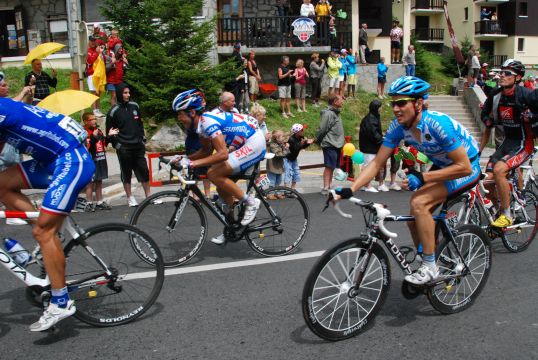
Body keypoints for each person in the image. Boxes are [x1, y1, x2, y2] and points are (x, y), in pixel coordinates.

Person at [332, 76, 481, 285]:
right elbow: (376, 163)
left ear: (418, 103)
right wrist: (351, 189)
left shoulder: (437, 125)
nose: (395, 108)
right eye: (393, 103)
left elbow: (463, 166)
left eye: (402, 103)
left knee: (420, 203)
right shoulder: (397, 127)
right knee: (415, 214)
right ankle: (427, 255)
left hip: (467, 167)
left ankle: (430, 266)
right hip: (443, 165)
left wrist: (423, 176)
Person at [0, 98, 95, 331]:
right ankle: (49, 233)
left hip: (71, 160)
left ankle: (61, 302)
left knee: (42, 231)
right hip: (51, 159)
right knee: (1, 184)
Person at [172, 89, 266, 245]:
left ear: (192, 112)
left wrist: (192, 163)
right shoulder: (199, 126)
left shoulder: (207, 122)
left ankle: (251, 202)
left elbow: (222, 154)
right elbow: (207, 151)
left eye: (180, 114)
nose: (179, 118)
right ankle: (232, 228)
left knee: (213, 173)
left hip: (254, 141)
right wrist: (185, 158)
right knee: (222, 194)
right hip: (241, 143)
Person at [479, 59, 538, 227]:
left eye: (507, 73)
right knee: (486, 182)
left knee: (499, 170)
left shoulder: (526, 94)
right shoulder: (495, 95)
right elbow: (485, 113)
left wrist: (532, 117)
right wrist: (488, 120)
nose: (502, 76)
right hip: (507, 142)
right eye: (501, 72)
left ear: (518, 77)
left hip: (523, 143)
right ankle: (500, 210)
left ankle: (507, 215)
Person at [106, 83, 152, 207]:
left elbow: (140, 124)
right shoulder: (113, 111)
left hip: (138, 145)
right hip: (124, 147)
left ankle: (149, 196)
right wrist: (118, 145)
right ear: (120, 94)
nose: (128, 95)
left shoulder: (135, 106)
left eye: (128, 93)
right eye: (125, 93)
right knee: (126, 173)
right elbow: (109, 132)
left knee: (144, 171)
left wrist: (142, 139)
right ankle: (130, 197)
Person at [82, 112, 113, 211]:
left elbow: (103, 142)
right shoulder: (84, 132)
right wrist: (93, 137)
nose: (94, 121)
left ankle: (100, 201)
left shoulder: (98, 130)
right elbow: (87, 146)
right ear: (86, 121)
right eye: (91, 119)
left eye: (95, 119)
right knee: (90, 182)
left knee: (99, 180)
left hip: (100, 158)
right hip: (91, 160)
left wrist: (109, 136)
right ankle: (89, 203)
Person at [316, 94, 345, 194]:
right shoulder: (328, 114)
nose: (342, 101)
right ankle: (325, 187)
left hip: (336, 144)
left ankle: (329, 185)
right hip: (330, 143)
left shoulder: (336, 113)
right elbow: (322, 129)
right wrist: (318, 140)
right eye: (341, 99)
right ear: (334, 102)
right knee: (329, 166)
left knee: (332, 166)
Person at [359, 99, 385, 192]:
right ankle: (367, 185)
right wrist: (382, 140)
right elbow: (373, 133)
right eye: (379, 108)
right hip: (369, 147)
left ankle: (373, 184)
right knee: (368, 165)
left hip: (372, 146)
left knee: (374, 165)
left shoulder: (374, 117)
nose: (381, 110)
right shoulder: (370, 119)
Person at [285, 123, 313, 189]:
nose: (303, 131)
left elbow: (302, 147)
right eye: (302, 130)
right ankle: (285, 188)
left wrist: (307, 143)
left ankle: (293, 188)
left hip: (294, 158)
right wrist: (301, 143)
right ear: (297, 132)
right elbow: (294, 149)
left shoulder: (301, 137)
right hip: (288, 158)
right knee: (288, 173)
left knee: (296, 172)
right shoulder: (291, 139)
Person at [266, 130, 290, 197]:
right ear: (277, 138)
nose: (284, 138)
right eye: (282, 137)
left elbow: (286, 153)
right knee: (272, 181)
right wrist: (286, 149)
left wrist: (285, 148)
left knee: (278, 181)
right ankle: (270, 194)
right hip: (272, 166)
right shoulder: (273, 145)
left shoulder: (280, 144)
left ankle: (276, 193)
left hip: (279, 166)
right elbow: (279, 155)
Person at [86, 36, 105, 117]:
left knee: (98, 92)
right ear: (89, 41)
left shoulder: (96, 50)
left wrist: (100, 52)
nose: (93, 43)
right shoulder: (87, 50)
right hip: (91, 74)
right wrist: (97, 53)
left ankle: (98, 109)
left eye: (94, 41)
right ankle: (94, 110)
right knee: (93, 93)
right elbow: (89, 60)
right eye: (92, 41)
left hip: (98, 74)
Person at [105, 40, 128, 106]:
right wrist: (112, 62)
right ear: (116, 49)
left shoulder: (122, 59)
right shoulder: (110, 58)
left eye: (122, 48)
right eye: (120, 48)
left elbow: (126, 69)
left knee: (119, 96)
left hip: (119, 81)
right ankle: (113, 110)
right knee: (114, 96)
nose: (121, 50)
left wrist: (126, 63)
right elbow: (106, 69)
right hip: (111, 81)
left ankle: (118, 110)